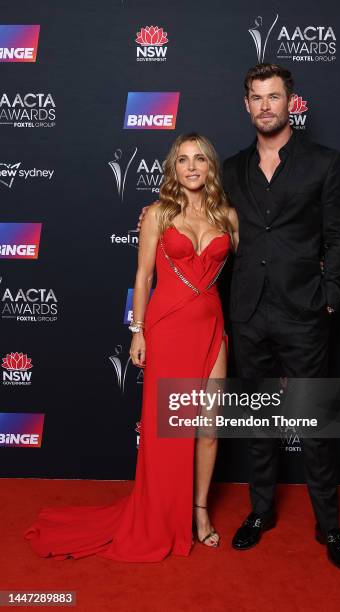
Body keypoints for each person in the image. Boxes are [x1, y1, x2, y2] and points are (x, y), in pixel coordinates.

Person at [24, 133, 239, 561]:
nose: (192, 167)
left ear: (211, 166)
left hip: (212, 328)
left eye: (199, 159)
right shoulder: (158, 214)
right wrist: (137, 330)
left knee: (210, 429)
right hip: (167, 326)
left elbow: (260, 263)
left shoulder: (229, 217)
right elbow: (142, 276)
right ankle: (161, 517)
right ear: (173, 168)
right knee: (167, 432)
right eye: (183, 160)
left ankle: (199, 512)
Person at [224, 63, 340, 570]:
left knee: (316, 421)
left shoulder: (326, 163)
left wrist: (331, 295)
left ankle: (329, 524)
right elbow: (201, 215)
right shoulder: (233, 168)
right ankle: (260, 513)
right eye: (256, 97)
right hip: (249, 310)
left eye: (273, 97)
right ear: (247, 105)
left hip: (304, 310)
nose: (265, 106)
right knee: (260, 419)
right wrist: (156, 214)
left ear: (290, 102)